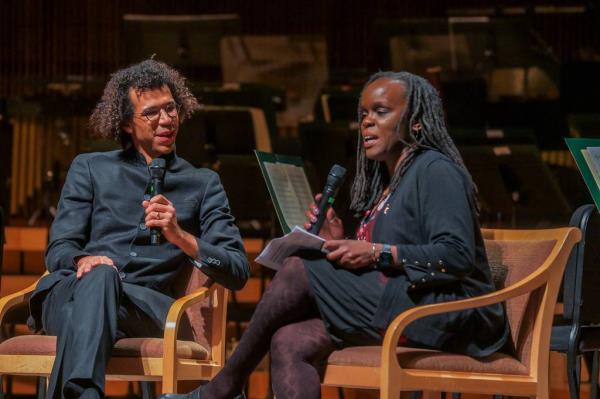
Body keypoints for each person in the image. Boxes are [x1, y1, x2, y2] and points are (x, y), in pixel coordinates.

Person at [161, 71, 509, 399]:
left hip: (448, 314)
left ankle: (224, 386)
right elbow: (385, 251)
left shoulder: (435, 170)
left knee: (298, 268)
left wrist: (376, 252)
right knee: (288, 340)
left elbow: (456, 255)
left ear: (416, 122)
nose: (367, 122)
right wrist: (336, 237)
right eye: (364, 114)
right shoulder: (388, 182)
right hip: (401, 302)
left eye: (381, 112)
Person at [27, 59, 250, 399]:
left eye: (171, 108)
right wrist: (83, 261)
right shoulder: (90, 168)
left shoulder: (202, 184)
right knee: (100, 277)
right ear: (127, 124)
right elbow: (59, 249)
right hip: (73, 289)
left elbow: (237, 270)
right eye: (151, 113)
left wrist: (180, 235)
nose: (166, 120)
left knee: (84, 310)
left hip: (142, 308)